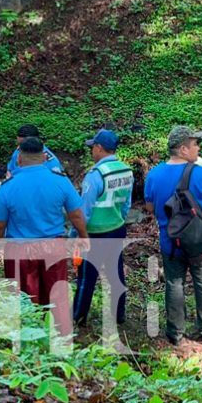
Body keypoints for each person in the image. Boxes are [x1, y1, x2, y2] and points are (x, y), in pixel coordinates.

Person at [0, 137, 89, 336]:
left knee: (23, 297)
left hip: (19, 250)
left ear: (19, 160)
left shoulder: (8, 187)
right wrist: (83, 236)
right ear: (44, 157)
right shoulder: (60, 181)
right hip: (53, 247)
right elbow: (76, 214)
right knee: (57, 294)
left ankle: (28, 340)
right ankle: (61, 337)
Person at [144, 125, 202, 346]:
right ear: (182, 149)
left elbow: (150, 208)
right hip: (201, 243)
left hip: (170, 243)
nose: (198, 148)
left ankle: (175, 334)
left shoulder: (153, 174)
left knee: (174, 284)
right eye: (195, 144)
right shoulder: (200, 172)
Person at [72, 129, 134, 327]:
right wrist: (119, 220)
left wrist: (76, 234)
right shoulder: (126, 170)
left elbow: (85, 210)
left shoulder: (95, 175)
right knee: (116, 274)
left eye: (93, 147)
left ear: (99, 148)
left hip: (94, 233)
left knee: (85, 278)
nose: (92, 151)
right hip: (117, 229)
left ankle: (78, 317)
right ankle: (119, 314)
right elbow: (126, 204)